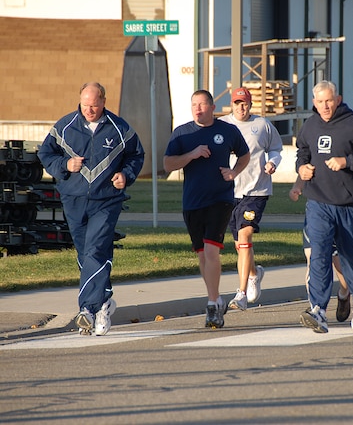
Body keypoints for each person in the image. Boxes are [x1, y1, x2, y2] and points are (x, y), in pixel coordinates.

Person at [38, 82, 145, 336]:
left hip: (106, 201)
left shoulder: (120, 128)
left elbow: (136, 155)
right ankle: (104, 303)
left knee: (96, 249)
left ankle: (87, 309)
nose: (89, 110)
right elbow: (45, 153)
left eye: (94, 105)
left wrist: (125, 175)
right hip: (73, 200)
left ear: (104, 102)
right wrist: (65, 164)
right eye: (85, 105)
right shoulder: (65, 126)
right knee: (87, 253)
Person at [295, 80, 353, 333]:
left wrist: (347, 161)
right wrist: (301, 168)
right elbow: (302, 151)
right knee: (319, 253)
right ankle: (318, 310)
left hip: (349, 204)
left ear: (338, 99)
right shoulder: (310, 125)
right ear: (314, 102)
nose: (324, 106)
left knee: (350, 256)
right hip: (318, 201)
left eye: (329, 100)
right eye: (320, 101)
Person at [163, 89, 250, 329]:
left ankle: (212, 303)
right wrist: (191, 154)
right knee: (202, 255)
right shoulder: (182, 133)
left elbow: (244, 155)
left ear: (212, 107)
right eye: (194, 105)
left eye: (202, 105)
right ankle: (217, 297)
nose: (198, 109)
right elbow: (168, 164)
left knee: (211, 251)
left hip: (220, 199)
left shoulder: (227, 130)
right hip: (192, 202)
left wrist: (233, 172)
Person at [220, 87, 283, 311]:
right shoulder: (222, 126)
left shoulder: (262, 125)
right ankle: (255, 274)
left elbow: (276, 149)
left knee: (246, 235)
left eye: (244, 103)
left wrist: (272, 162)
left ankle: (241, 293)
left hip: (256, 190)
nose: (241, 107)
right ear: (231, 104)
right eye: (237, 103)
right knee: (240, 244)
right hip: (229, 192)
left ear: (250, 104)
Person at [290, 176, 351, 323]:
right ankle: (315, 308)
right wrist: (297, 186)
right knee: (313, 260)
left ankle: (344, 293)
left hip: (340, 209)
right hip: (317, 212)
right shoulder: (314, 153)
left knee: (339, 264)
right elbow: (305, 166)